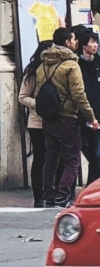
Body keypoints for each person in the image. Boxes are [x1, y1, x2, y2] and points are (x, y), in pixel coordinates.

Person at [35, 28, 100, 207]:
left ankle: (48, 195)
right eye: (73, 40)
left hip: (48, 118)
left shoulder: (43, 65)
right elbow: (79, 95)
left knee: (51, 158)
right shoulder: (71, 65)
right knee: (72, 159)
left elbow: (38, 92)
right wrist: (91, 117)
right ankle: (62, 195)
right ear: (67, 43)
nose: (76, 42)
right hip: (67, 117)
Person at [75, 29, 100, 185]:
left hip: (97, 116)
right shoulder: (76, 65)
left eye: (96, 42)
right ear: (83, 45)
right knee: (84, 149)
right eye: (92, 42)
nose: (95, 45)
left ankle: (94, 185)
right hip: (79, 115)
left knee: (97, 155)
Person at [18, 40, 55, 206]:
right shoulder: (32, 72)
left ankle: (51, 193)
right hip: (37, 122)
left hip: (54, 120)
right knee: (40, 157)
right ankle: (38, 196)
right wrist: (38, 104)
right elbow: (22, 97)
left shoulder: (58, 70)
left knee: (54, 158)